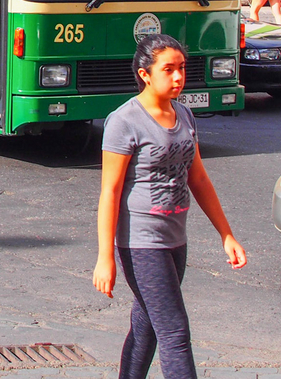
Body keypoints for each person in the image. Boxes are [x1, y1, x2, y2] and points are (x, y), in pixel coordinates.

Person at [94, 34, 247, 379]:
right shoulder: (124, 121)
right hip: (140, 242)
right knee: (175, 333)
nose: (178, 77)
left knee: (147, 322)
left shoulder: (184, 115)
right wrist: (106, 257)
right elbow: (110, 192)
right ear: (145, 74)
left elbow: (200, 180)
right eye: (169, 70)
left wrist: (227, 234)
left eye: (181, 69)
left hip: (175, 238)